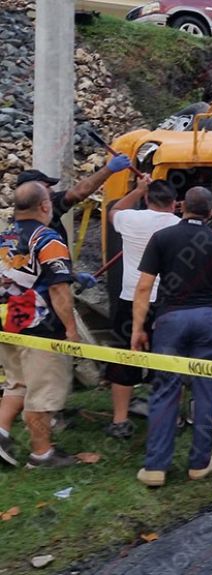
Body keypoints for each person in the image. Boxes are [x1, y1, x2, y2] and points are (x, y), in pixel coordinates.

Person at [132, 187, 212, 487]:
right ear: (211, 212)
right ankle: (199, 463)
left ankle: (156, 468)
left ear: (182, 207)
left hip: (170, 320)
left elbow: (144, 287)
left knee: (165, 390)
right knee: (206, 389)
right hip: (208, 320)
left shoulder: (162, 238)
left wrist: (137, 329)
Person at [0, 182, 79, 469]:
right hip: (42, 327)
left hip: (10, 322)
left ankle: (1, 435)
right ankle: (42, 453)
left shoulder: (4, 238)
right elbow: (58, 290)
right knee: (44, 392)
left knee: (17, 384)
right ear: (45, 206)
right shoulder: (49, 238)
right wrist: (70, 328)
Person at [104, 177, 180, 439]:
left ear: (147, 200)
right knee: (168, 360)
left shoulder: (130, 219)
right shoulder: (179, 226)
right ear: (174, 203)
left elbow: (111, 212)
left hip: (131, 299)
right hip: (167, 303)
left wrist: (136, 190)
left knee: (124, 359)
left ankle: (120, 421)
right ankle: (169, 416)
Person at [14, 152, 132, 243]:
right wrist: (109, 169)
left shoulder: (14, 226)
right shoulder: (46, 206)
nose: (52, 191)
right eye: (48, 187)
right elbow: (80, 192)